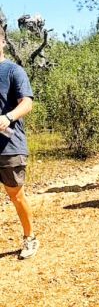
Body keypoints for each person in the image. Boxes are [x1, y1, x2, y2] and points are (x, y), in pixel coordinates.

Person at [0, 25, 38, 259]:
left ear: (3, 41)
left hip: (9, 146)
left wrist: (8, 117)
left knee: (15, 194)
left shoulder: (13, 71)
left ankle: (30, 237)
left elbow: (27, 103)